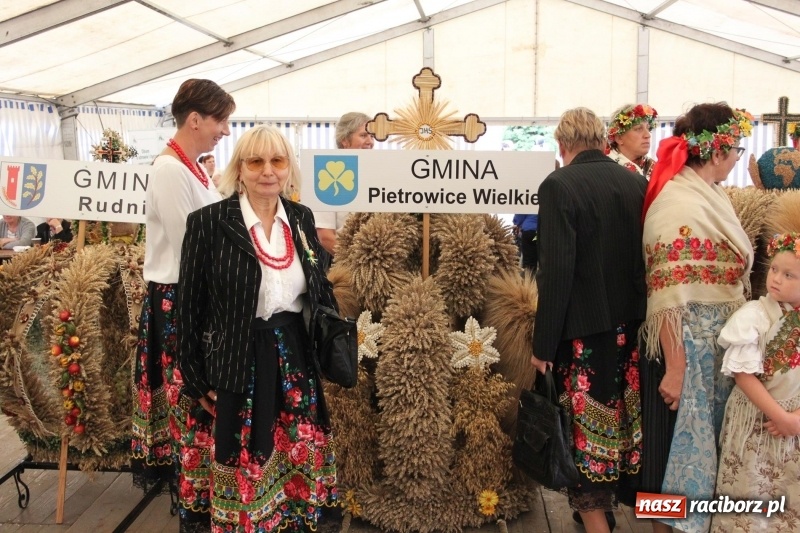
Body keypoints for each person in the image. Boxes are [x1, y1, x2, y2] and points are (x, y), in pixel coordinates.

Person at [177, 125, 339, 532]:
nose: (268, 171)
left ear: (288, 168)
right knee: (244, 459)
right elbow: (188, 309)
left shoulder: (300, 218)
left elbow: (317, 284)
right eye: (256, 161)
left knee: (293, 460)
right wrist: (196, 380)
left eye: (277, 161)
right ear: (240, 169)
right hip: (236, 359)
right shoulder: (209, 222)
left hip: (293, 358)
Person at [639, 103, 754, 533]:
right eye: (737, 150)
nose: (737, 158)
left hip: (716, 350)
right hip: (687, 350)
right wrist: (675, 366)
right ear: (718, 149)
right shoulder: (677, 203)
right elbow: (668, 293)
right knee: (669, 459)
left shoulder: (707, 193)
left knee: (704, 461)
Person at [531, 107, 647, 533]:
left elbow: (556, 272)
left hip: (584, 338)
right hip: (632, 332)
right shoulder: (635, 182)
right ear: (603, 141)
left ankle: (599, 526)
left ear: (562, 146)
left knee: (585, 440)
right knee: (626, 432)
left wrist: (542, 346)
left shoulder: (559, 185)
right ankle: (629, 517)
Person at [130, 78, 234, 533]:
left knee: (200, 407)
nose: (225, 131)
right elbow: (191, 248)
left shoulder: (191, 166)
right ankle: (196, 507)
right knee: (193, 401)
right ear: (196, 119)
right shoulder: (170, 170)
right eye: (221, 120)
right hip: (181, 302)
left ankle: (205, 497)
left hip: (192, 298)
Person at [710, 233, 800, 532]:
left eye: (789, 275)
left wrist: (795, 419)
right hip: (757, 421)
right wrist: (781, 416)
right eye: (774, 269)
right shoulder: (754, 316)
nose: (776, 279)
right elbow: (743, 374)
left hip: (794, 427)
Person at [314, 112, 374, 264]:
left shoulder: (375, 173)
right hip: (342, 264)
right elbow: (325, 236)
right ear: (345, 141)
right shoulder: (326, 171)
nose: (370, 142)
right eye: (364, 135)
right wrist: (358, 263)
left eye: (372, 136)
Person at [606, 104, 658, 179]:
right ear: (619, 138)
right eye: (638, 129)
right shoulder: (605, 169)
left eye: (648, 128)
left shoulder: (654, 168)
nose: (647, 135)